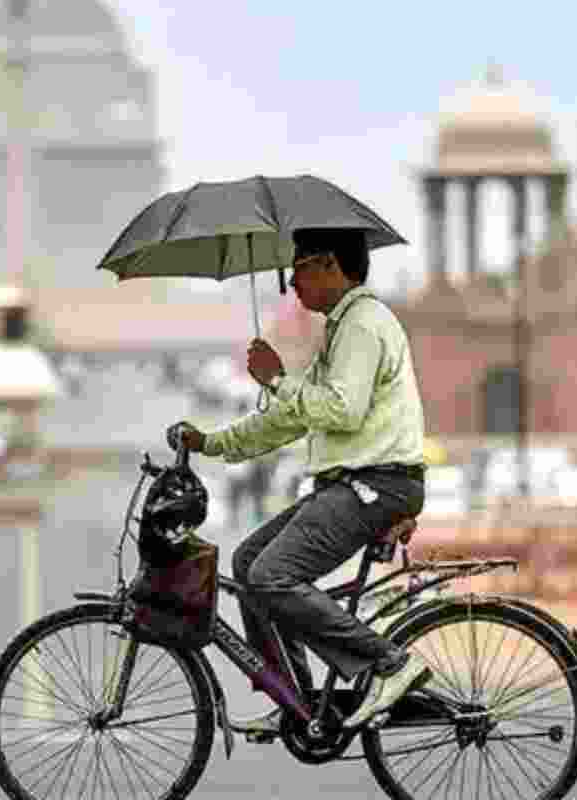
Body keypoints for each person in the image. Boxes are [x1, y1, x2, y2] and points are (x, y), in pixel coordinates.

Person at [170, 227, 429, 734]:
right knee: (248, 564)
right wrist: (212, 443)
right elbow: (290, 418)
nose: (292, 284)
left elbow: (343, 410)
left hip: (376, 485)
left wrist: (276, 378)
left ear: (331, 264)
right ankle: (295, 698)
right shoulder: (341, 330)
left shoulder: (363, 324)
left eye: (299, 269)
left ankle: (389, 662)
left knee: (271, 575)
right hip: (354, 486)